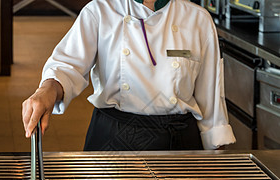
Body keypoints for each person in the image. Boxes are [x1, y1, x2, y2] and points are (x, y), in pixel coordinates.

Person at [22, 0, 236, 151]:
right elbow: (67, 65)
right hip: (114, 138)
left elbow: (211, 97)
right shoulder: (99, 11)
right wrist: (47, 89)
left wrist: (216, 157)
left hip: (178, 143)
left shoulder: (197, 18)